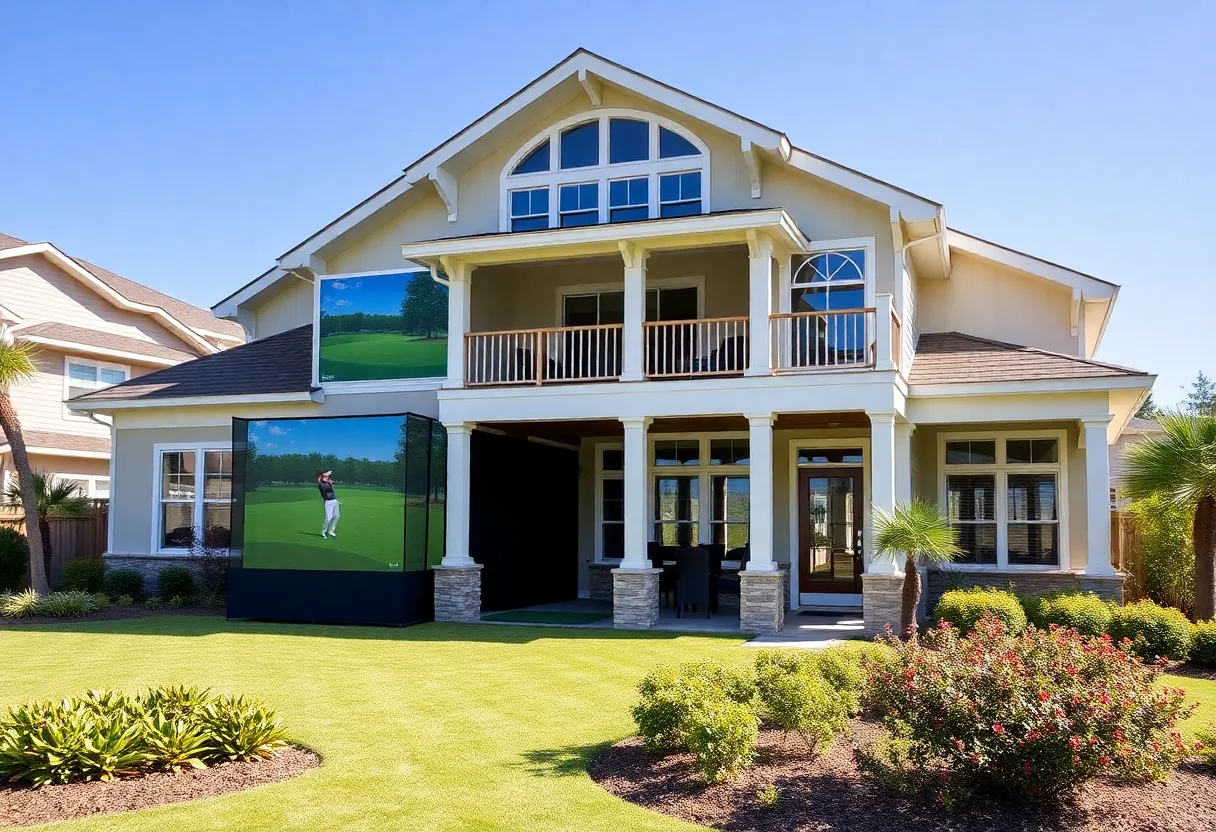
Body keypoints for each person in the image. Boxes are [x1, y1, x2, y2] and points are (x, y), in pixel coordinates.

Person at [316, 470, 341, 538]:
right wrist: (325, 475)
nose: (327, 478)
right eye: (326, 476)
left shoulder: (328, 483)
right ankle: (324, 531)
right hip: (328, 502)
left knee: (337, 516)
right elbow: (325, 490)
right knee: (328, 518)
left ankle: (330, 531)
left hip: (334, 501)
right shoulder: (321, 484)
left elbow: (332, 491)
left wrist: (331, 484)